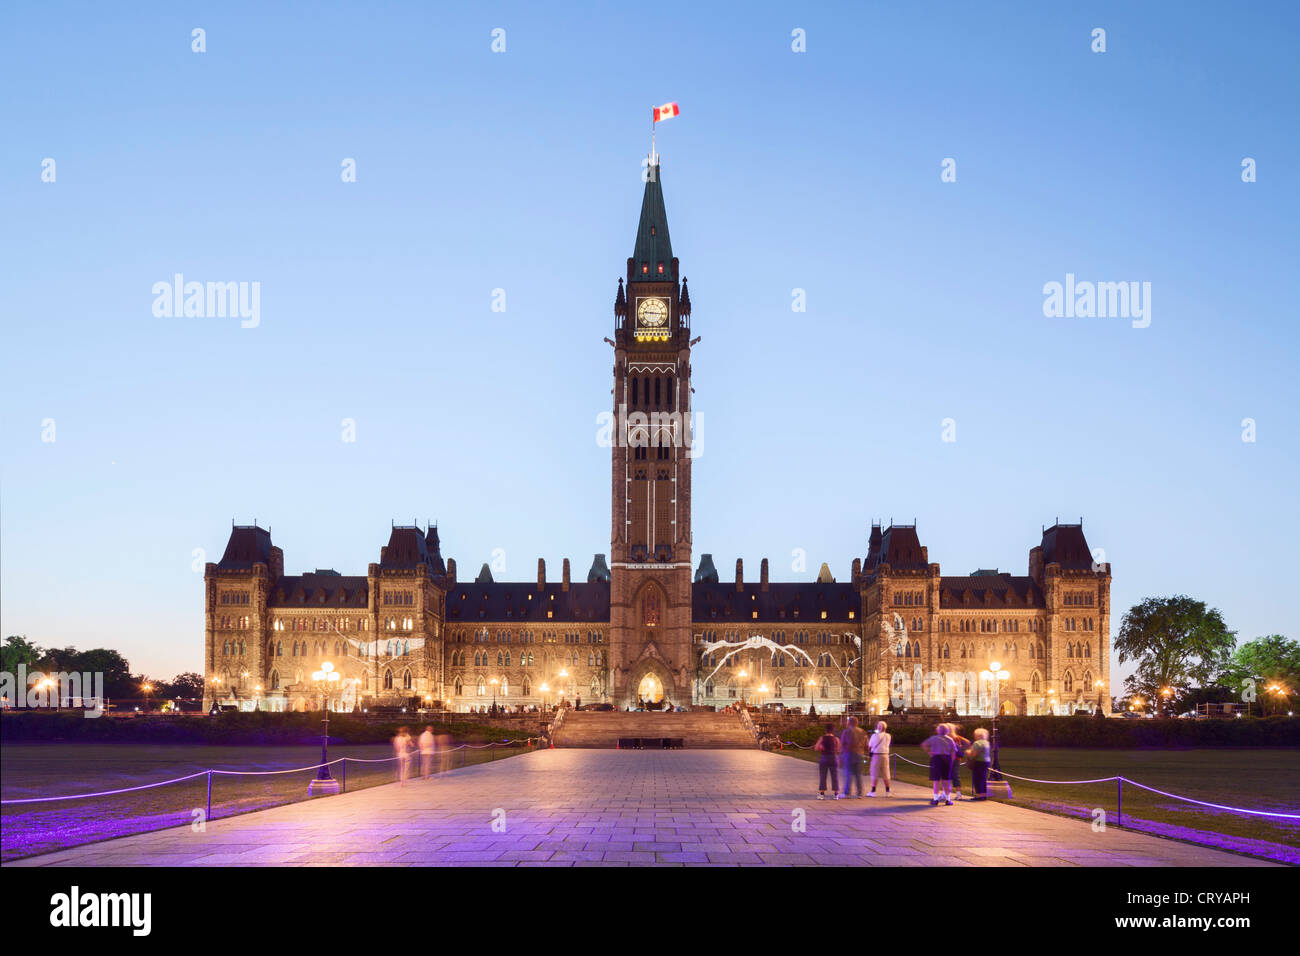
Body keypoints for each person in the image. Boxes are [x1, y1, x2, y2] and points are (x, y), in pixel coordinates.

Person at [920, 723, 956, 806]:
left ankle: (936, 799)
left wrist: (930, 752)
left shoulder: (933, 738)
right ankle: (948, 799)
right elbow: (953, 752)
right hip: (947, 759)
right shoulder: (950, 739)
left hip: (936, 758)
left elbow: (924, 744)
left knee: (936, 780)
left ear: (938, 730)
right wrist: (951, 761)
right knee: (946, 780)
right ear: (947, 731)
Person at [838, 716, 866, 799]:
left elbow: (843, 743)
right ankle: (859, 793)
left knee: (848, 773)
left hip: (849, 753)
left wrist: (840, 754)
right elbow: (866, 743)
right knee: (858, 774)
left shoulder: (847, 731)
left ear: (849, 723)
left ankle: (847, 793)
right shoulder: (862, 731)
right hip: (860, 753)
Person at [814, 722, 840, 799]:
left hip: (824, 757)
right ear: (833, 730)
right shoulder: (836, 739)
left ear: (826, 730)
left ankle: (822, 794)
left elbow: (816, 748)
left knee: (823, 776)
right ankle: (836, 794)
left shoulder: (822, 738)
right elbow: (839, 749)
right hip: (834, 758)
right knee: (835, 776)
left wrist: (821, 747)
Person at [867, 720, 892, 796]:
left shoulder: (875, 736)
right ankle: (887, 791)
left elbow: (870, 745)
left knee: (874, 772)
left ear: (879, 727)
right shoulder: (888, 736)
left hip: (876, 755)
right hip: (885, 755)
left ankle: (873, 791)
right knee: (886, 773)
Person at [947, 723, 970, 800]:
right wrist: (963, 749)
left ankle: (945, 793)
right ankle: (958, 793)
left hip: (949, 758)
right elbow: (968, 742)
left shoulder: (947, 737)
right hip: (957, 759)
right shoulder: (957, 737)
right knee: (955, 775)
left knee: (945, 776)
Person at [968, 728, 992, 799]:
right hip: (986, 762)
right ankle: (984, 795)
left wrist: (967, 752)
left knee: (977, 779)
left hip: (978, 762)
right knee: (983, 778)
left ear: (977, 735)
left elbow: (974, 754)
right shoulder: (987, 742)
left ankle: (979, 795)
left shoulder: (977, 743)